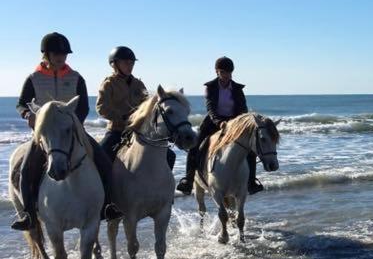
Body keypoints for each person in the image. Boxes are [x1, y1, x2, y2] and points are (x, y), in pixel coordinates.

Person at [11, 32, 122, 230]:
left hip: (73, 131)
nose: (61, 57)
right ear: (46, 54)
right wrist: (28, 115)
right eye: (56, 53)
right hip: (44, 136)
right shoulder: (34, 78)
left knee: (104, 163)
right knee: (26, 169)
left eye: (64, 54)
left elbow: (84, 107)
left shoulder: (76, 77)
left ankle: (108, 206)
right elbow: (21, 104)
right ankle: (28, 215)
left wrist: (72, 126)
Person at [176, 56, 262, 195]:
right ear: (217, 72)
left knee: (250, 149)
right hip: (214, 122)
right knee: (195, 146)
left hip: (234, 123)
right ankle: (188, 180)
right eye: (223, 72)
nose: (226, 75)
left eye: (229, 72)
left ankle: (251, 182)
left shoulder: (237, 88)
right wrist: (220, 122)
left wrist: (237, 123)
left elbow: (242, 109)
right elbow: (211, 109)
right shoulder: (210, 87)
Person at [97, 46, 176, 169]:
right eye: (126, 63)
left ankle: (161, 186)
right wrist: (122, 117)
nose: (130, 66)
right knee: (101, 154)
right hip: (117, 130)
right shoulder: (108, 84)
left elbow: (148, 106)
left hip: (139, 131)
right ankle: (105, 186)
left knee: (170, 156)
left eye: (132, 63)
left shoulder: (138, 84)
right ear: (114, 64)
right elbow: (101, 108)